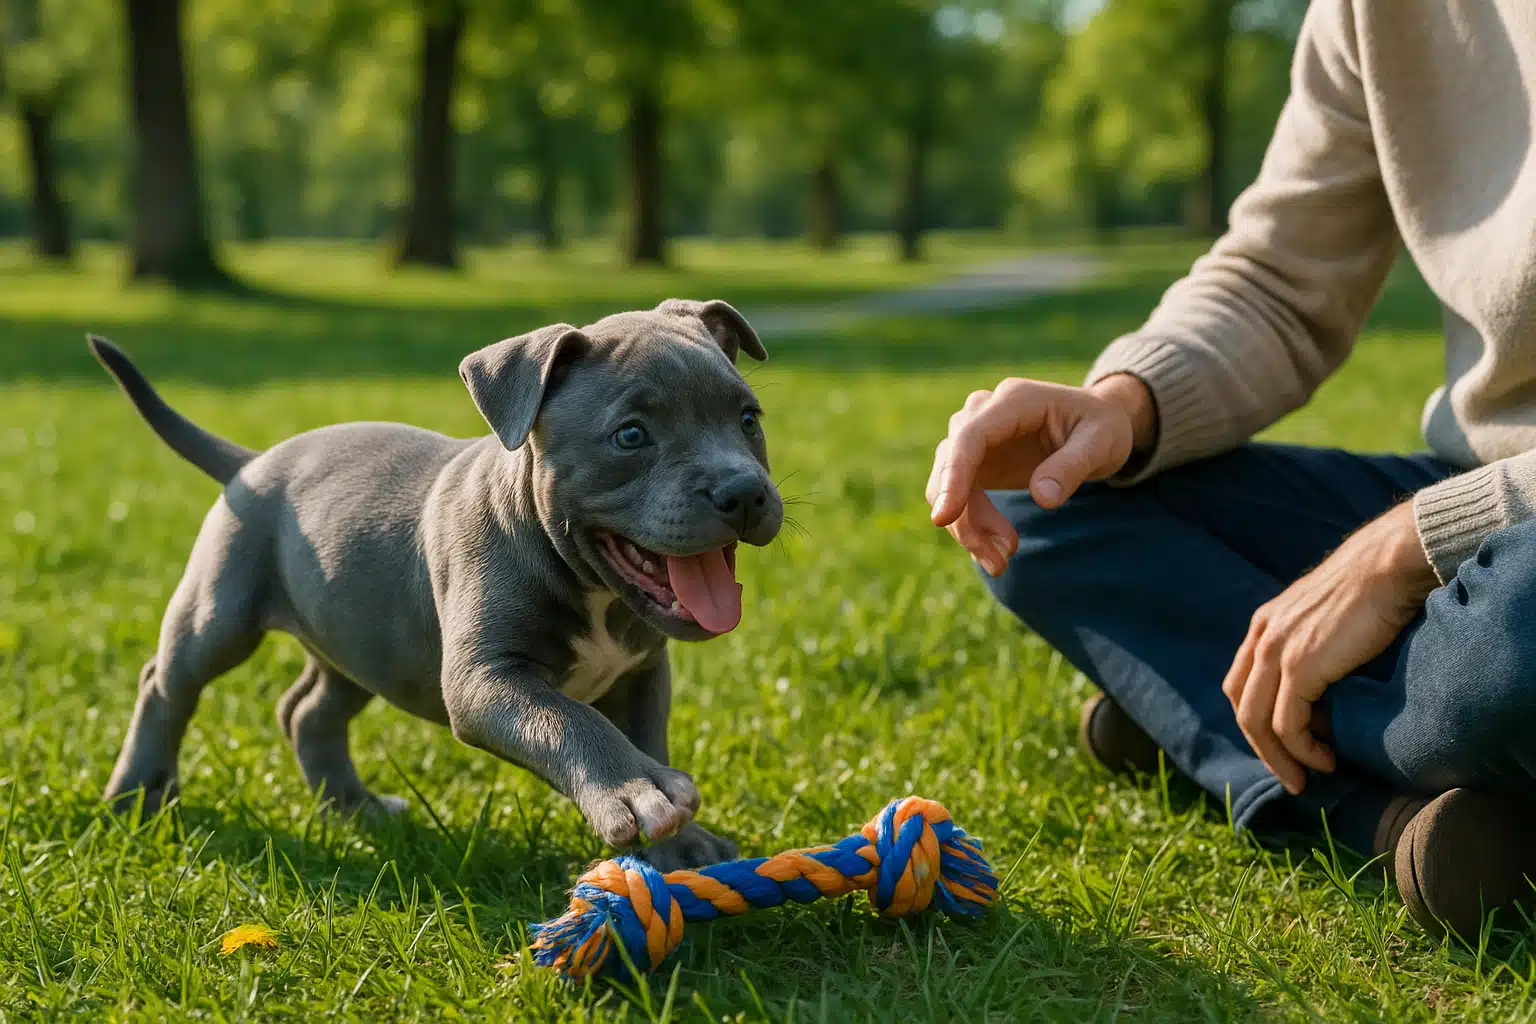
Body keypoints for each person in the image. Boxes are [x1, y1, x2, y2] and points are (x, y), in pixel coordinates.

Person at [927, 0, 1536, 940]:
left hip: (1505, 558)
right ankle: (1384, 817)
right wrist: (1121, 410)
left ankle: (1202, 715)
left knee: (1511, 643)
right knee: (1038, 496)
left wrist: (1409, 547)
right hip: (1476, 494)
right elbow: (1280, 279)